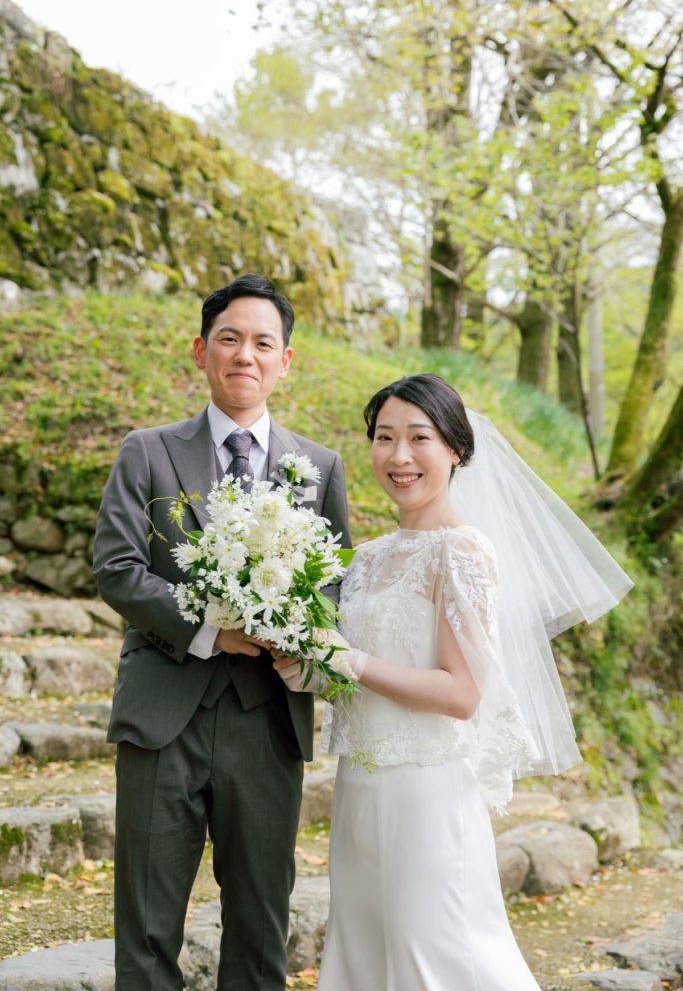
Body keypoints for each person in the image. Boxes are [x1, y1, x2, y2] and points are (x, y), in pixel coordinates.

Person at [274, 373, 632, 990]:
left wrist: (349, 663)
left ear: (456, 449)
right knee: (364, 953)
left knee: (436, 955)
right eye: (384, 438)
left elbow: (462, 694)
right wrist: (316, 671)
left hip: (428, 788)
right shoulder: (367, 557)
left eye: (420, 438)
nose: (399, 456)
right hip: (360, 783)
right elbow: (366, 670)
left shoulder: (462, 552)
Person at [92, 273, 351, 991]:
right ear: (201, 350)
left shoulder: (319, 469)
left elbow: (335, 584)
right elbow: (116, 568)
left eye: (263, 343)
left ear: (285, 361)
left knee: (261, 925)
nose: (245, 355)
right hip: (162, 715)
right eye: (229, 338)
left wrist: (294, 630)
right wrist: (211, 627)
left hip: (267, 720)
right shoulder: (147, 452)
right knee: (146, 926)